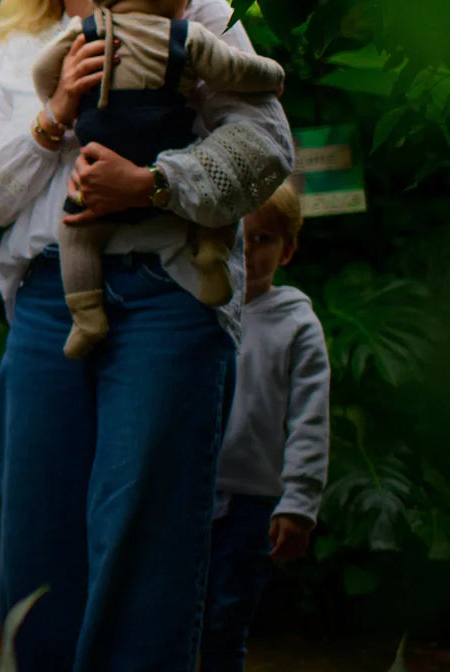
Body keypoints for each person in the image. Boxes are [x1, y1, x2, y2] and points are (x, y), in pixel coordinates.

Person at [0, 0, 295, 666]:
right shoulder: (15, 50)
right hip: (49, 301)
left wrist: (154, 185)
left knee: (144, 543)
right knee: (36, 545)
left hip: (166, 294)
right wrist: (53, 117)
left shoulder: (194, 9)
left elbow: (265, 144)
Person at [30, 0, 286, 358]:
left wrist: (57, 96)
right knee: (209, 215)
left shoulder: (85, 33)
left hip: (98, 164)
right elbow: (235, 70)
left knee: (74, 233)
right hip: (166, 147)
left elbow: (42, 72)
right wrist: (273, 74)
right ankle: (209, 253)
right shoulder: (185, 36)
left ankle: (86, 314)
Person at [200, 182, 331, 671]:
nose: (248, 250)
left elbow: (309, 416)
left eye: (263, 239)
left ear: (288, 249)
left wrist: (299, 501)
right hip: (184, 494)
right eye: (239, 233)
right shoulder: (195, 307)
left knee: (224, 624)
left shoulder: (297, 325)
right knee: (170, 616)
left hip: (252, 502)